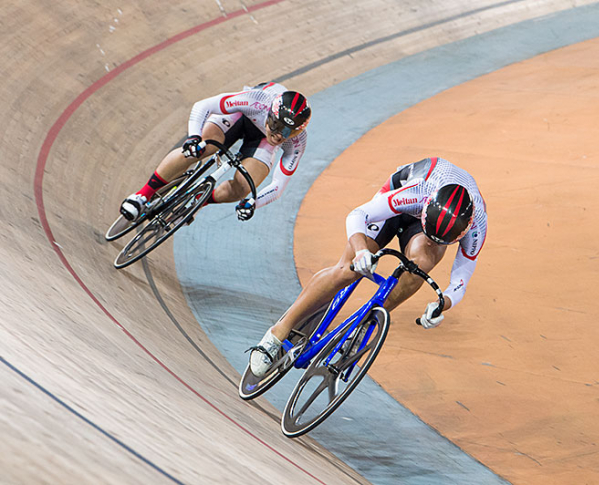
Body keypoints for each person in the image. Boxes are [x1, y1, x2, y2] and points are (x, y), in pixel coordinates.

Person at [248, 156, 487, 376]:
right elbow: (357, 215)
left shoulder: (476, 225)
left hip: (431, 223)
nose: (436, 242)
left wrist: (440, 304)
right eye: (434, 235)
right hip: (401, 195)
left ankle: (367, 323)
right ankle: (277, 333)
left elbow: (460, 281)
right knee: (346, 270)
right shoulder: (417, 194)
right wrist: (362, 252)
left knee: (422, 263)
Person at [119, 81, 311, 222]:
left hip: (260, 141)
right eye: (276, 126)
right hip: (240, 117)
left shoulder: (297, 142)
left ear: (298, 130)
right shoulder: (256, 101)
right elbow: (203, 105)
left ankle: (198, 202)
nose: (279, 136)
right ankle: (142, 195)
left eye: (288, 132)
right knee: (202, 148)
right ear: (270, 113)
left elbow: (278, 186)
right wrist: (194, 137)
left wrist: (253, 202)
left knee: (244, 187)